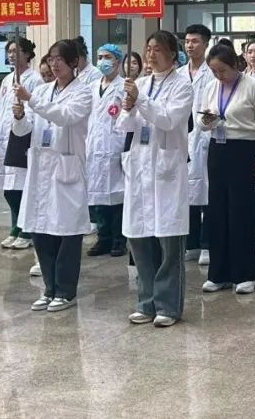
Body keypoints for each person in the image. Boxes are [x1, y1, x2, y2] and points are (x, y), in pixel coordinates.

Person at [117, 30, 195, 327]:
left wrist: (140, 101)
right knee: (140, 240)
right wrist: (128, 109)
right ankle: (146, 302)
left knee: (168, 242)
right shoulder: (139, 83)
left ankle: (168, 306)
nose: (151, 54)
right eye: (148, 48)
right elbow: (124, 125)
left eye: (158, 49)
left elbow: (168, 119)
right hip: (140, 168)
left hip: (166, 172)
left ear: (173, 54)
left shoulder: (182, 86)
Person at [12, 39, 93, 312]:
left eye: (60, 59)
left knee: (66, 233)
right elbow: (24, 131)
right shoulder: (43, 90)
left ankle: (66, 291)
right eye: (51, 59)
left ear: (73, 62)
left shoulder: (82, 92)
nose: (54, 64)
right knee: (41, 230)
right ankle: (49, 289)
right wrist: (20, 116)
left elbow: (65, 116)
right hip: (41, 168)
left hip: (66, 168)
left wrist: (31, 101)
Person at [197, 44, 255, 294]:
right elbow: (201, 122)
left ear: (235, 65)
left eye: (223, 70)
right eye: (214, 71)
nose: (219, 76)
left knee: (240, 212)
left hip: (244, 150)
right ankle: (219, 273)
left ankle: (244, 274)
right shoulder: (211, 87)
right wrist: (206, 120)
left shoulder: (253, 87)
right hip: (217, 149)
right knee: (216, 211)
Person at [0, 37, 43, 251]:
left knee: (21, 187)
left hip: (23, 136)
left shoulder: (34, 79)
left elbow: (35, 108)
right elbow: (0, 110)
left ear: (27, 54)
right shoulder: (7, 80)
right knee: (8, 188)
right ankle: (15, 226)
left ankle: (26, 230)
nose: (12, 55)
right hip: (5, 137)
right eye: (10, 51)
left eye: (16, 51)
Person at [85, 44, 129, 258]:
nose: (103, 61)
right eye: (100, 56)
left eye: (107, 57)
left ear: (118, 61)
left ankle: (119, 239)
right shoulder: (92, 87)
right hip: (94, 146)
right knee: (98, 195)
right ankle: (103, 238)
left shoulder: (124, 86)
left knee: (118, 195)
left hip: (115, 145)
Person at [181, 23, 216, 266]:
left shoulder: (213, 73)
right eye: (187, 41)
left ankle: (207, 244)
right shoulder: (179, 74)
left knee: (207, 193)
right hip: (183, 139)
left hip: (206, 138)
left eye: (195, 41)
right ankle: (191, 243)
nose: (190, 45)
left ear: (205, 44)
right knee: (186, 193)